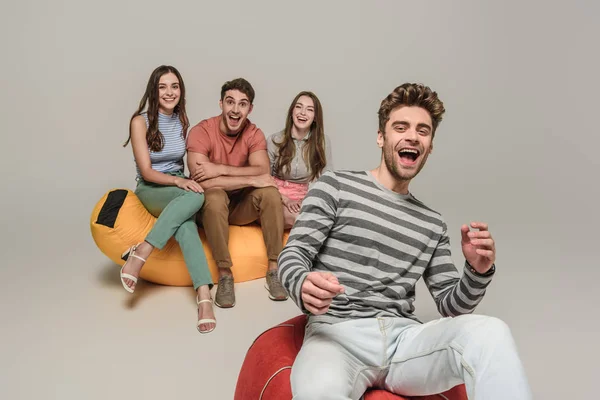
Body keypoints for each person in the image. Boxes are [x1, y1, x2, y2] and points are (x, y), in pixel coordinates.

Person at [278, 83, 531, 399]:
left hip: (404, 342)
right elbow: (293, 254)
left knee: (492, 332)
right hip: (336, 335)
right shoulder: (335, 186)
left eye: (423, 131)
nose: (413, 136)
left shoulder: (432, 223)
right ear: (381, 137)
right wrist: (302, 282)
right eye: (401, 127)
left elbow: (451, 306)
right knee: (318, 391)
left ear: (430, 146)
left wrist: (476, 272)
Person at [120, 65, 216, 334]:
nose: (169, 92)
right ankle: (145, 253)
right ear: (154, 90)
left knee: (187, 223)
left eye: (174, 86)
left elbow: (185, 163)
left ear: (181, 91)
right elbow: (148, 170)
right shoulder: (139, 121)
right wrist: (179, 181)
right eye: (163, 87)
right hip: (151, 188)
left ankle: (203, 294)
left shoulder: (182, 120)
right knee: (194, 198)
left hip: (178, 186)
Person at [186, 78, 288, 308]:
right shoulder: (201, 132)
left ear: (249, 109)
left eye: (242, 104)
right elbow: (200, 182)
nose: (235, 109)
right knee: (214, 195)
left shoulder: (254, 133)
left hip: (241, 206)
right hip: (209, 208)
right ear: (221, 104)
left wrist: (219, 169)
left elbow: (263, 172)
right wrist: (251, 178)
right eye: (230, 102)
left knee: (270, 193)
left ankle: (274, 270)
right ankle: (225, 275)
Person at [267, 91, 332, 229]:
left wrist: (306, 200)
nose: (303, 113)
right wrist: (285, 199)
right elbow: (266, 178)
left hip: (307, 197)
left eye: (310, 110)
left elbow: (326, 179)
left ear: (315, 117)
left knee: (331, 222)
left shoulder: (323, 142)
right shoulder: (274, 140)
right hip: (277, 197)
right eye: (299, 107)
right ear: (292, 111)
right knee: (302, 220)